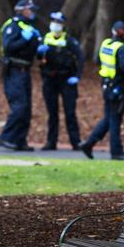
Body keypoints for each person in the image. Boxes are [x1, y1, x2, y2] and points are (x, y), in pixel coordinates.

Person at [79, 21, 124, 161]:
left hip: (105, 85)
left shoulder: (105, 44)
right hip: (116, 86)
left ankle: (89, 144)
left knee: (109, 117)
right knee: (115, 119)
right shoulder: (121, 48)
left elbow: (98, 60)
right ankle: (116, 152)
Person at [0, 0, 42, 151]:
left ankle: (20, 140)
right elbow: (9, 47)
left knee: (27, 108)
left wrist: (40, 46)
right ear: (22, 10)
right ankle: (6, 137)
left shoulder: (29, 27)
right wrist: (24, 39)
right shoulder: (12, 26)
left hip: (25, 70)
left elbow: (34, 49)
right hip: (14, 70)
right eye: (31, 9)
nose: (33, 12)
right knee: (19, 106)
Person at [36, 11, 83, 151]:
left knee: (70, 112)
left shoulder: (69, 41)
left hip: (66, 80)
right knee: (52, 112)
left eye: (58, 23)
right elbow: (39, 58)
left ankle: (76, 142)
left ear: (63, 25)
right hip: (50, 80)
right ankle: (51, 142)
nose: (55, 25)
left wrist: (77, 76)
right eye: (54, 22)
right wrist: (38, 52)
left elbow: (80, 58)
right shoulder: (45, 39)